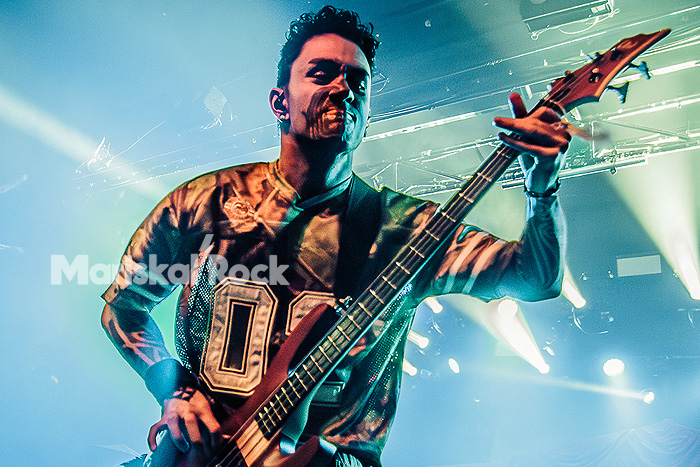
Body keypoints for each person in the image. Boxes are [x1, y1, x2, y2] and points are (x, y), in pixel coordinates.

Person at [101, 5, 571, 467]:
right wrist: (175, 390)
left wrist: (543, 185)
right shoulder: (204, 201)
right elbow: (124, 306)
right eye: (322, 74)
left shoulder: (405, 228)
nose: (344, 88)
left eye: (358, 82)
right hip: (199, 457)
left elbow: (535, 278)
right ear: (280, 102)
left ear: (365, 115)